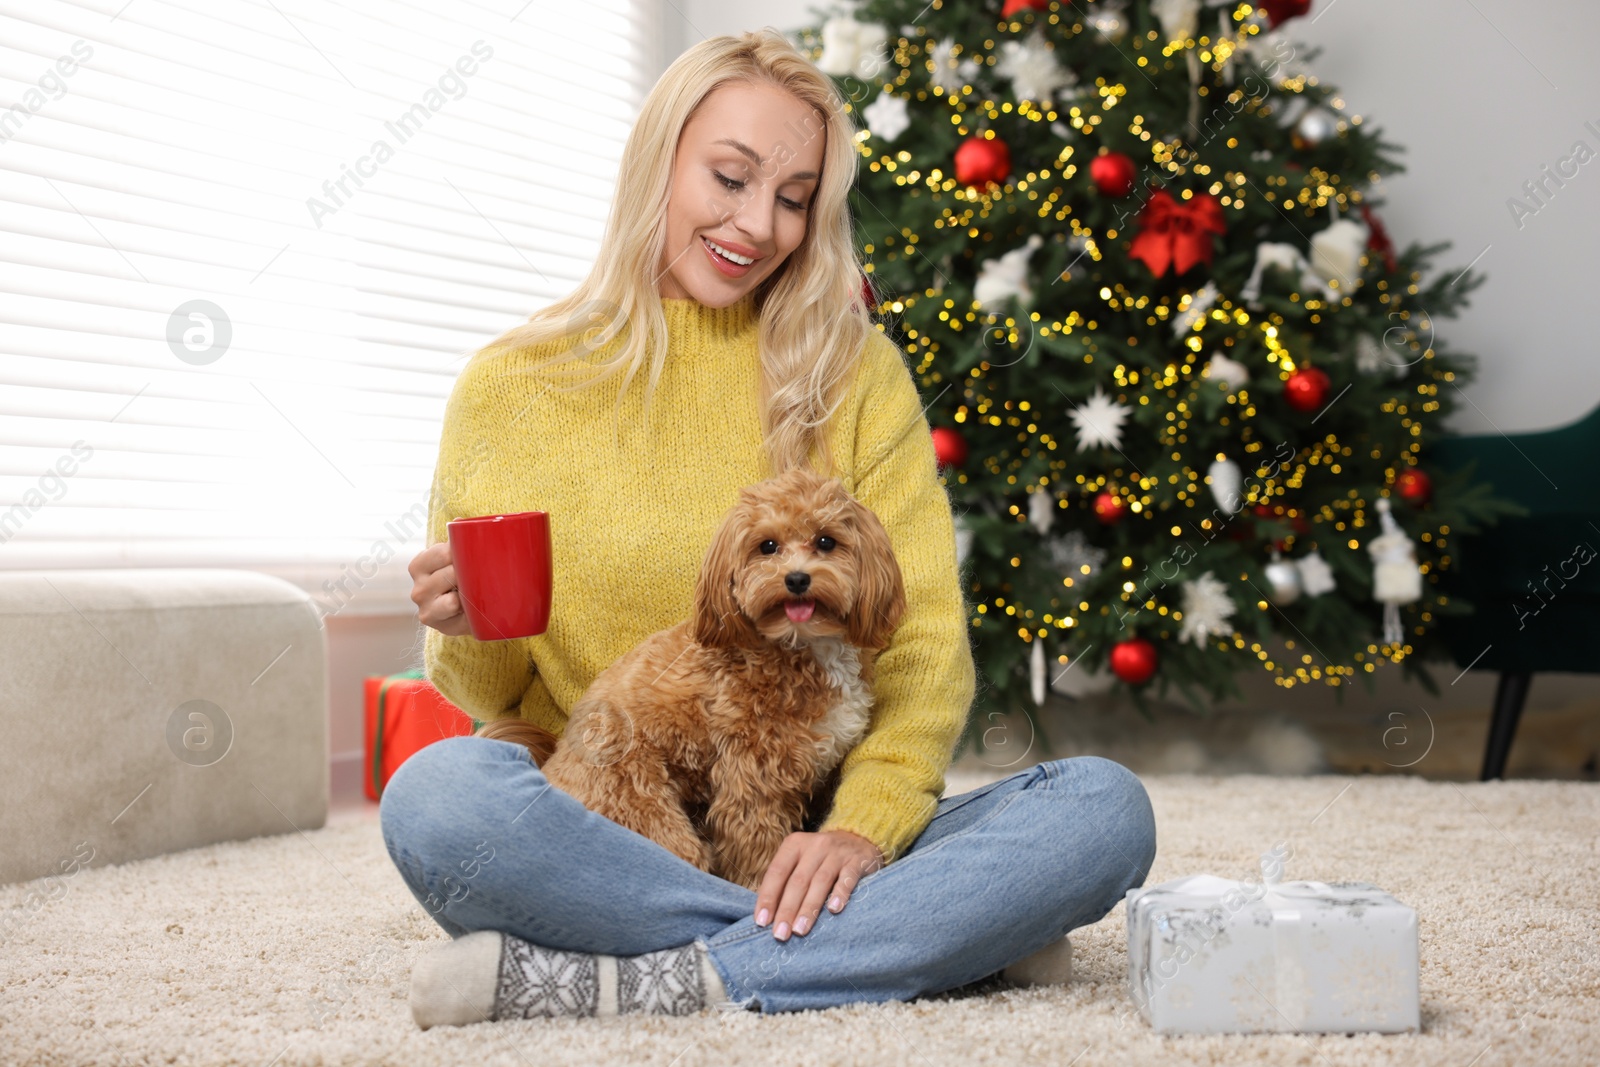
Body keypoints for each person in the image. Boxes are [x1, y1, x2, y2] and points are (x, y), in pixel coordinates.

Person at [381, 26, 1157, 1027]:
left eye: (794, 198)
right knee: (437, 797)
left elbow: (918, 647)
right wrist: (466, 625)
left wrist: (864, 830)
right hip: (612, 832)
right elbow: (494, 703)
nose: (759, 224)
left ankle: (672, 973)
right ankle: (903, 943)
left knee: (1100, 810)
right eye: (731, 177)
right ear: (656, 158)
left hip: (816, 829)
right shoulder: (510, 385)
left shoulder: (855, 370)